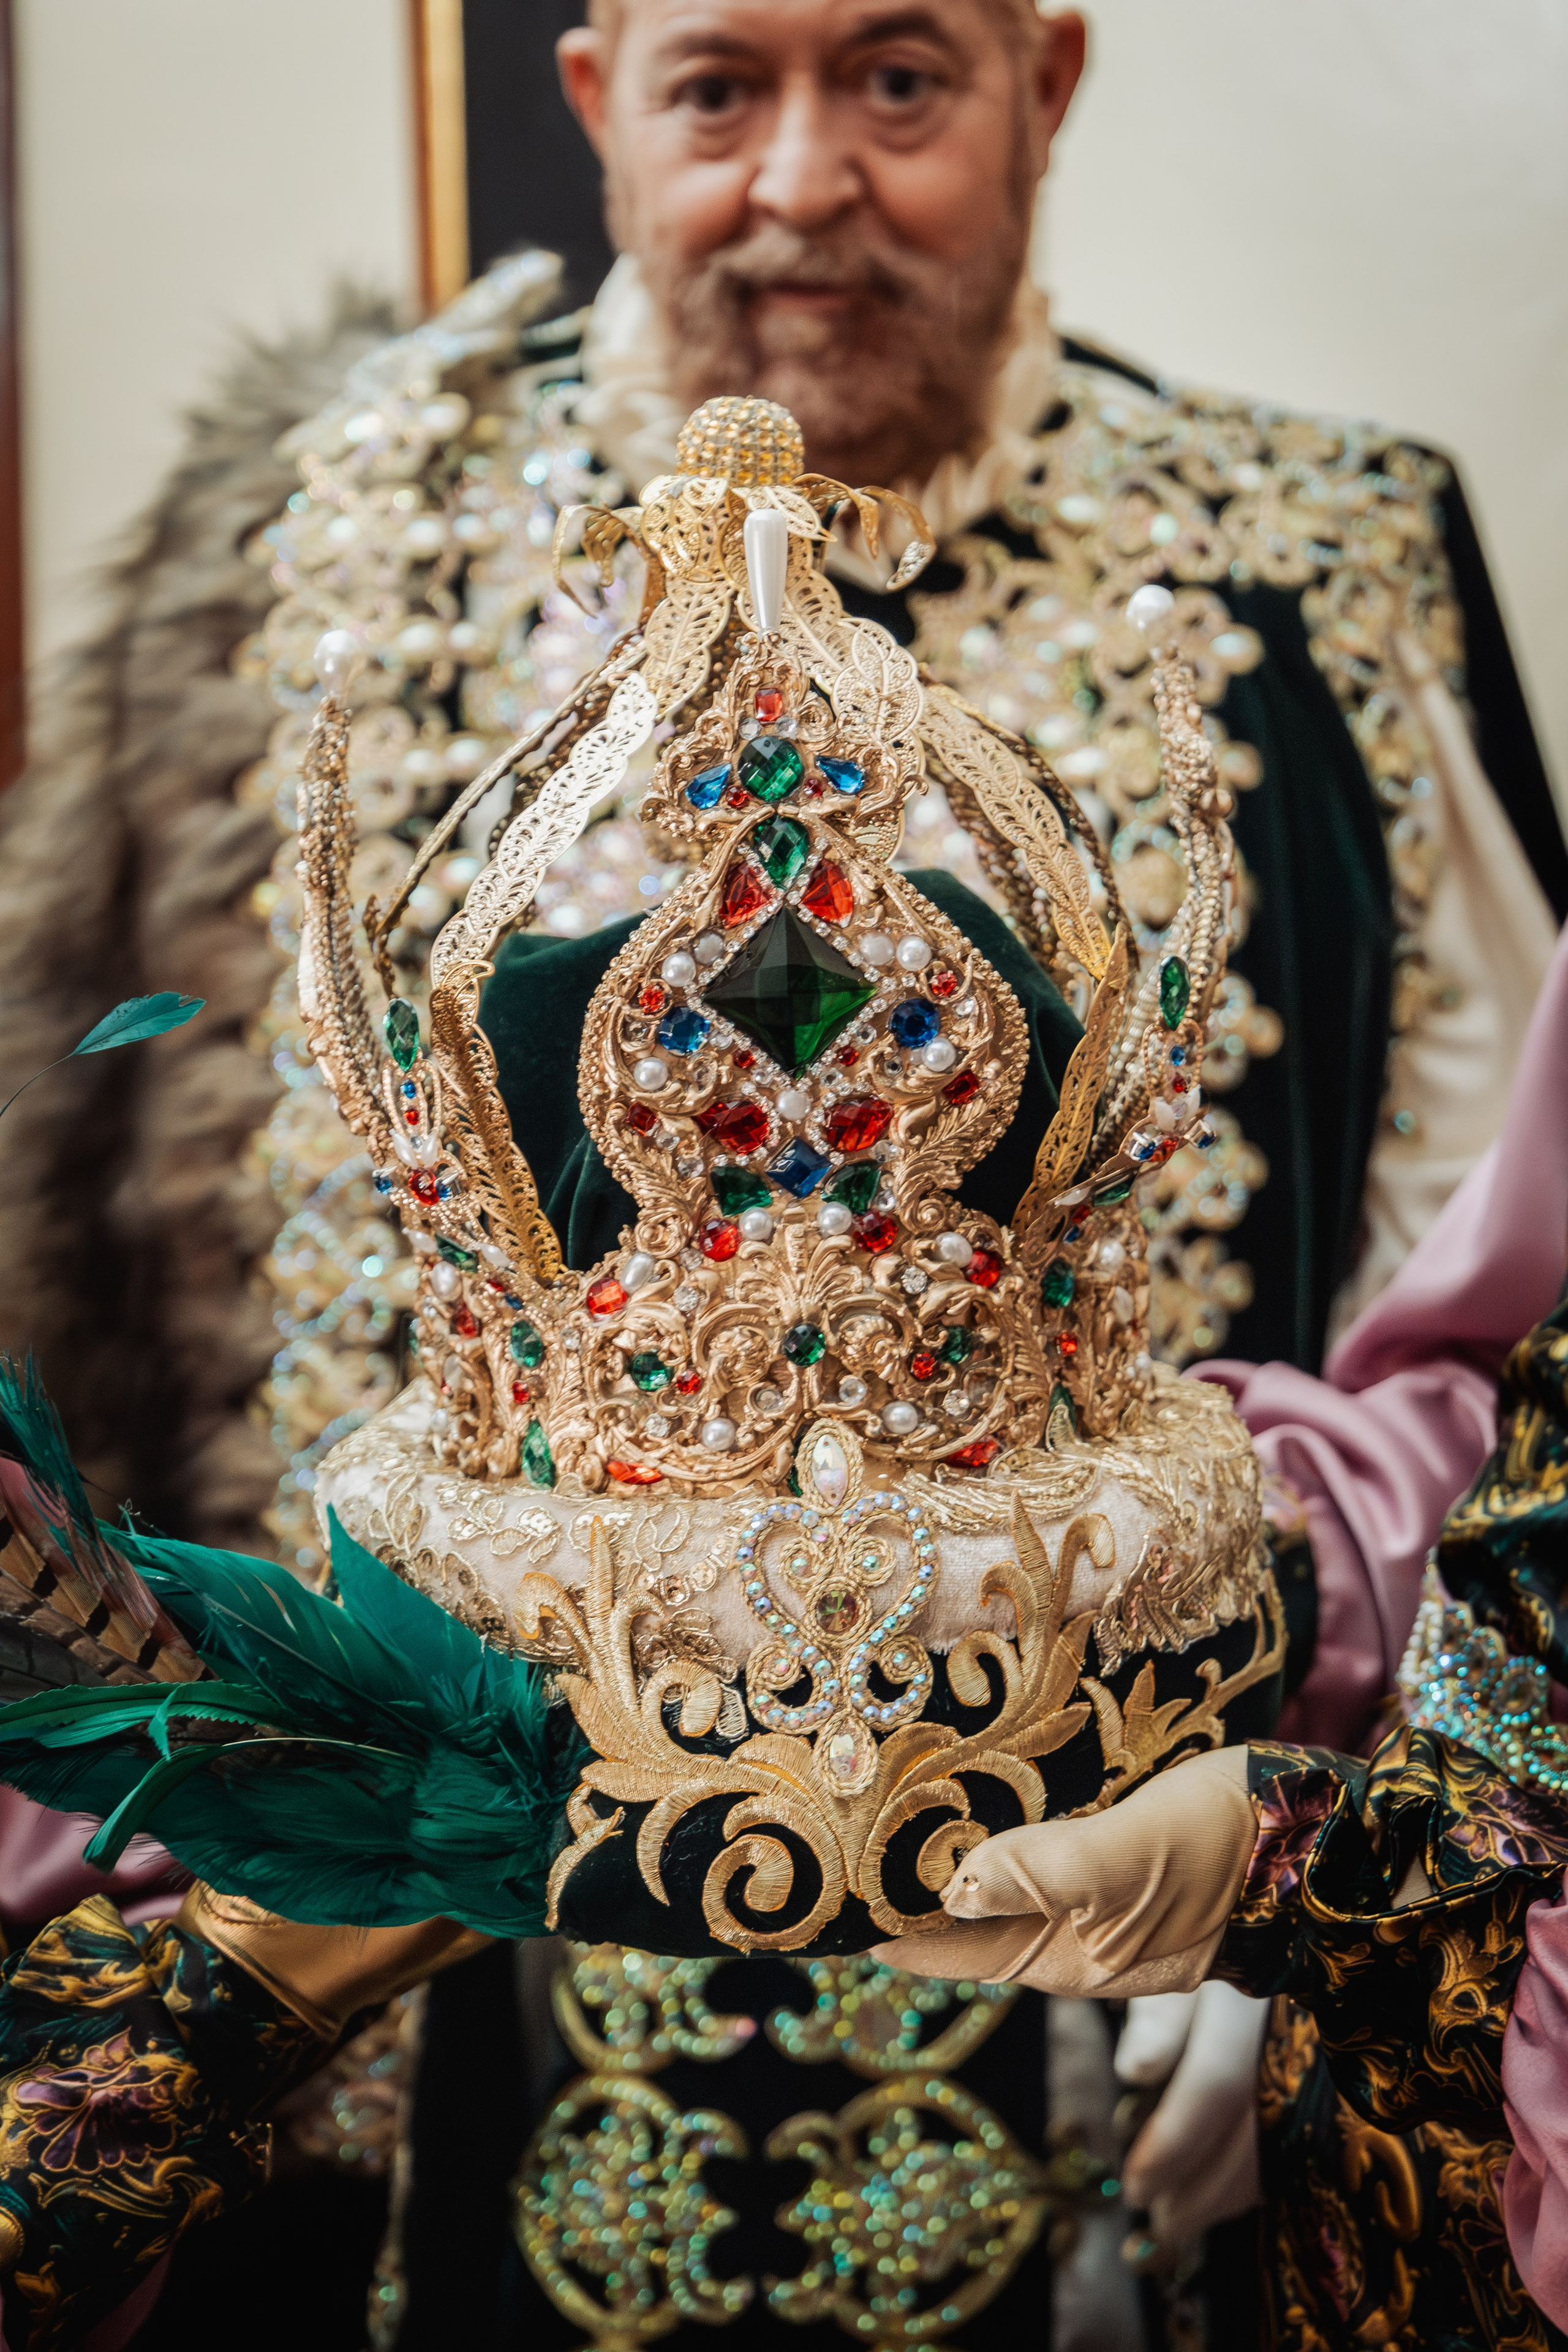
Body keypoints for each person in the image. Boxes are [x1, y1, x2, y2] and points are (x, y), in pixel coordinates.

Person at [0, 3, 1561, 2346]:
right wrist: (167, 1933)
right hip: (421, 2007)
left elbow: (1500, 1336)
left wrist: (1362, 1888)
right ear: (592, 98)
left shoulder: (1327, 565)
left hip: (1128, 1946)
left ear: (1050, 83)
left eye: (902, 79)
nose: (806, 180)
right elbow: (80, 1337)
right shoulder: (296, 545)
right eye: (721, 87)